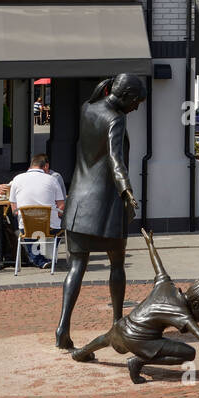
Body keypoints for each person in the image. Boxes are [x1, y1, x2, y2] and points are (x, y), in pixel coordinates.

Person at [56, 74, 146, 351]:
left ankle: (63, 327)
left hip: (78, 203)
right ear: (127, 96)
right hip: (105, 206)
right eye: (136, 102)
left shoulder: (87, 107)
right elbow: (116, 160)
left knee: (76, 267)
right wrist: (127, 191)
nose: (137, 108)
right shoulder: (115, 120)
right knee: (117, 264)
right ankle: (118, 324)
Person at [72, 229, 199, 383]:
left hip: (122, 326)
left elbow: (158, 266)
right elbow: (198, 333)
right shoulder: (181, 312)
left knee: (105, 339)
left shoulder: (166, 284)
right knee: (189, 353)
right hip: (139, 340)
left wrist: (150, 244)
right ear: (196, 303)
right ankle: (138, 362)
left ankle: (81, 353)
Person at [8, 153, 65, 269]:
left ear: (31, 166)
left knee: (26, 229)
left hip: (27, 227)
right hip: (50, 227)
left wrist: (19, 214)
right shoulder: (52, 179)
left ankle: (39, 258)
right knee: (61, 225)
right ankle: (46, 256)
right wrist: (59, 216)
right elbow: (61, 205)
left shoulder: (16, 179)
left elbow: (13, 207)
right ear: (46, 166)